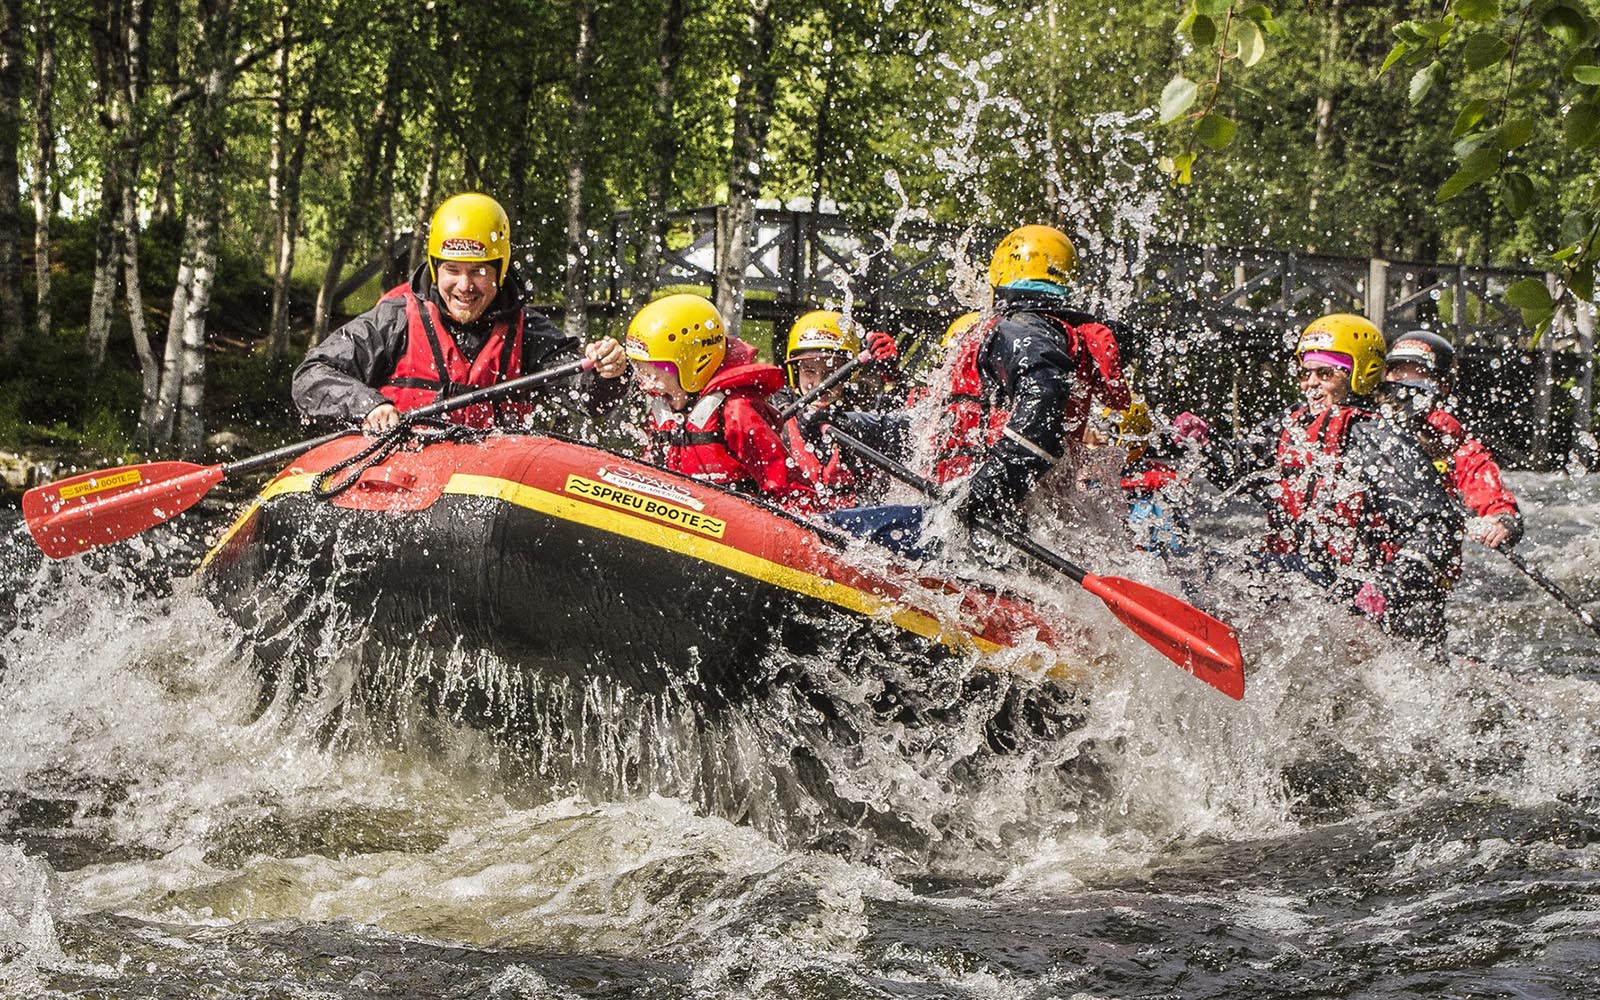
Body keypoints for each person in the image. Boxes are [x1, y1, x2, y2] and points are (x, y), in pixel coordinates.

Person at [1199, 313, 1462, 641]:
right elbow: (1235, 471)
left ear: (1360, 376)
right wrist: (1199, 442)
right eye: (1305, 374)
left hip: (1368, 602)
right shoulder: (1290, 427)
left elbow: (1438, 529)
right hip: (1303, 581)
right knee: (1217, 568)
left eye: (1325, 374)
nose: (1311, 384)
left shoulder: (1382, 441)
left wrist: (1384, 589)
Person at [292, 192, 628, 432]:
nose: (464, 286)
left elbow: (588, 397)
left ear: (500, 269)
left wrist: (608, 374)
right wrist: (368, 405)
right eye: (453, 270)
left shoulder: (529, 333)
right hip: (403, 479)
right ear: (437, 268)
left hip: (488, 487)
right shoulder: (395, 320)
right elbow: (312, 374)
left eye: (479, 271)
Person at [942, 224, 1132, 527]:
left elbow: (1044, 399)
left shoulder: (1020, 329)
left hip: (994, 521)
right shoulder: (1058, 332)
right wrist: (856, 424)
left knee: (848, 525)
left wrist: (985, 490)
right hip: (1031, 514)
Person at [625, 293, 815, 509]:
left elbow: (791, 489)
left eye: (655, 369)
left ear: (693, 364)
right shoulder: (662, 409)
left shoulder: (737, 411)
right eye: (638, 367)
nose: (644, 380)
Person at [1378, 329, 1523, 550]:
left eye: (1417, 372)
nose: (1402, 382)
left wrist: (1503, 522)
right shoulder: (1363, 427)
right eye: (1397, 371)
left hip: (1424, 561)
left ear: (1443, 386)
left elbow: (1492, 498)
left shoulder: (1457, 448)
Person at [777, 309, 906, 510]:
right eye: (809, 371)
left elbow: (905, 432)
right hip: (797, 527)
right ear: (795, 372)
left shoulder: (864, 408)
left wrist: (893, 381)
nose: (819, 384)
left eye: (831, 373)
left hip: (855, 524)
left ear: (848, 375)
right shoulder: (779, 413)